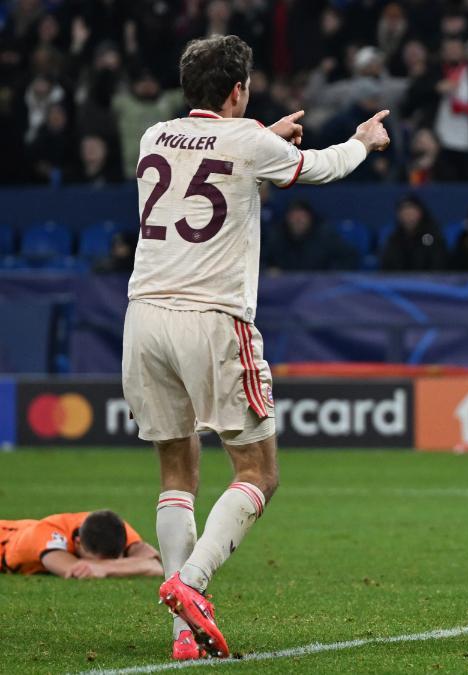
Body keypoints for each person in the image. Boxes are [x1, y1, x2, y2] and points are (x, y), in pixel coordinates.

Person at [122, 35, 390, 661]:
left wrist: (259, 136)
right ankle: (190, 584)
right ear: (238, 90)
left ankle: (182, 637)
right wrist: (363, 142)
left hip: (143, 319)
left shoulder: (153, 137)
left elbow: (210, 162)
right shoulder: (248, 143)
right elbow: (318, 168)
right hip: (211, 319)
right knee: (259, 472)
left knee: (176, 472)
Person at [1, 510, 161, 578]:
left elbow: (156, 564)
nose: (102, 564)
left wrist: (104, 568)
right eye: (98, 560)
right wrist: (127, 565)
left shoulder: (115, 527)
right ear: (78, 543)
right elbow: (74, 570)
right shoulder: (45, 534)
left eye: (113, 559)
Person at [261, 201, 360, 272]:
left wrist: (329, 274)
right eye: (294, 216)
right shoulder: (276, 237)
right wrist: (269, 271)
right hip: (285, 292)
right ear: (287, 219)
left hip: (319, 292)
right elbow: (261, 261)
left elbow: (350, 257)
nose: (298, 220)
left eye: (302, 216)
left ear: (310, 218)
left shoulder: (325, 236)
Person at [379, 195, 448, 272]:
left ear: (420, 212)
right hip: (400, 282)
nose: (407, 213)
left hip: (428, 281)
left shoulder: (430, 236)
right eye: (403, 210)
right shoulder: (394, 238)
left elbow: (438, 265)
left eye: (411, 209)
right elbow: (386, 267)